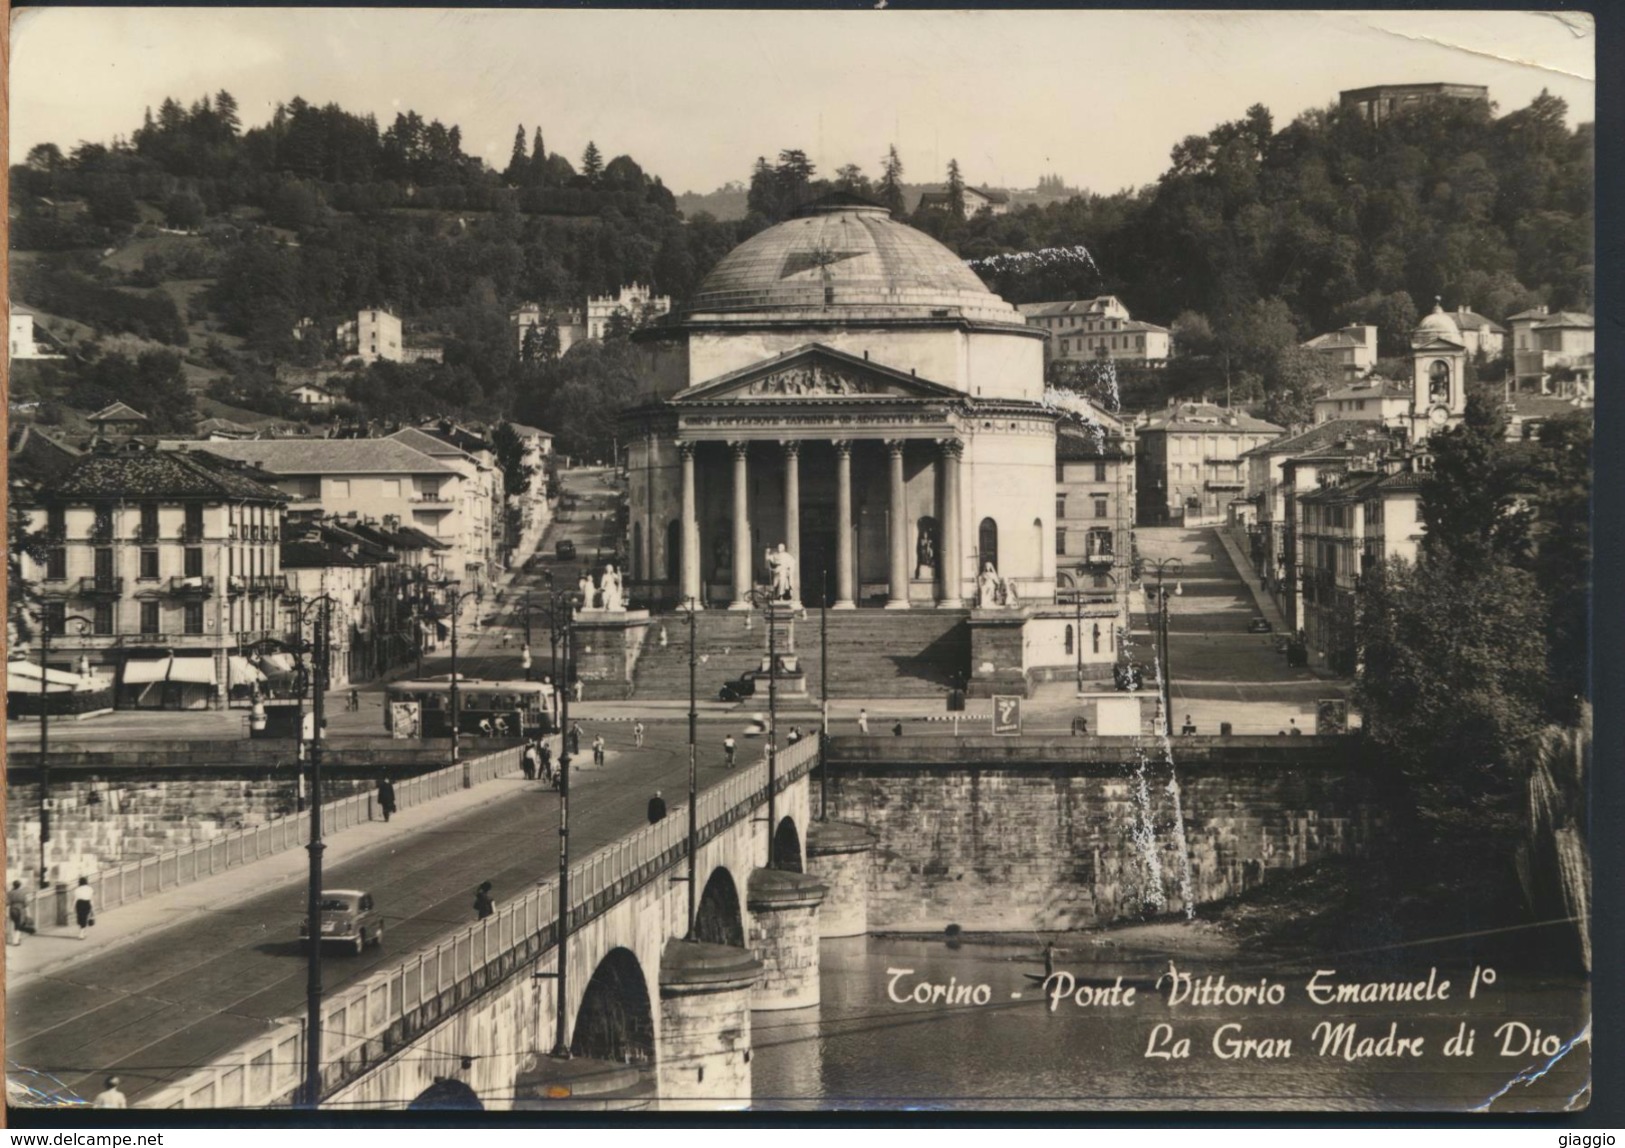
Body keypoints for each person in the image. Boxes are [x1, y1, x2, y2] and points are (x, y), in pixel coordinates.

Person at [8, 879, 29, 946]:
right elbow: (26, 903)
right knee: (18, 926)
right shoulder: (23, 893)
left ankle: (12, 939)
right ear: (20, 886)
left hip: (12, 909)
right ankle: (15, 941)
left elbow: (7, 902)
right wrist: (28, 913)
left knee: (12, 924)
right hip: (20, 910)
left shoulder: (10, 893)